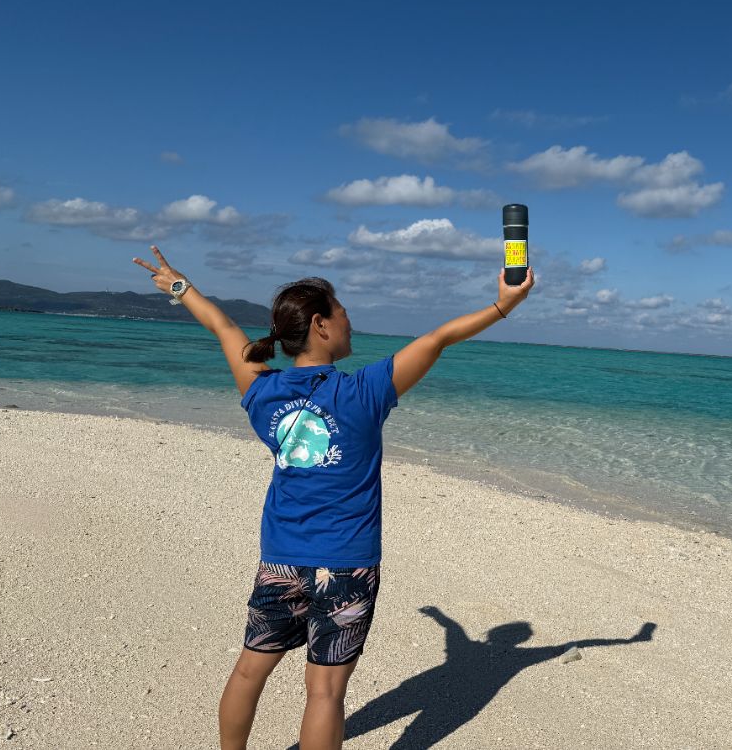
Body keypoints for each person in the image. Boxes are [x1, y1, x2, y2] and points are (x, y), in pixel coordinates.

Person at [131, 245, 535, 750]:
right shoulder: (365, 391)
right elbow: (438, 339)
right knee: (323, 693)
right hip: (347, 565)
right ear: (320, 324)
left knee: (248, 673)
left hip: (281, 561)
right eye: (343, 313)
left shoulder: (262, 389)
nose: (350, 322)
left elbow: (222, 327)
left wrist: (178, 285)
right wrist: (504, 306)